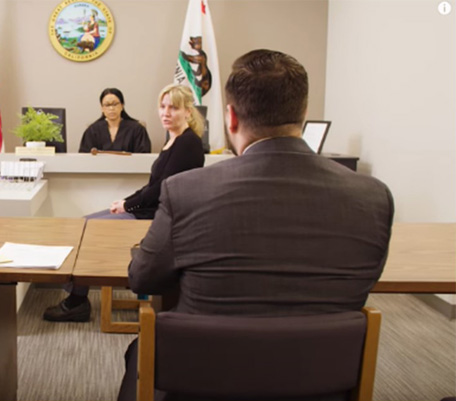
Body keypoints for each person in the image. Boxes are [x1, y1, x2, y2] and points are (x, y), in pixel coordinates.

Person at [117, 50, 394, 400]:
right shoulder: (373, 196)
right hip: (319, 381)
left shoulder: (186, 191)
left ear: (230, 118)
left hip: (201, 379)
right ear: (303, 114)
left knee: (139, 352)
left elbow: (143, 278)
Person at [44, 84, 205, 322]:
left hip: (157, 218)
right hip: (147, 210)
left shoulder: (187, 143)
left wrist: (129, 206)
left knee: (88, 231)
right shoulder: (173, 140)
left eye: (174, 107)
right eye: (162, 106)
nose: (166, 112)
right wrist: (127, 201)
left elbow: (162, 189)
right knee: (80, 225)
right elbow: (153, 184)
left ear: (188, 112)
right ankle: (77, 299)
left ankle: (76, 302)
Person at [79, 88, 151, 154]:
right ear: (102, 108)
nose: (111, 108)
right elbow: (84, 157)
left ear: (122, 106)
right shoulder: (92, 130)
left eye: (115, 104)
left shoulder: (137, 129)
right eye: (107, 105)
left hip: (129, 167)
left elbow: (143, 155)